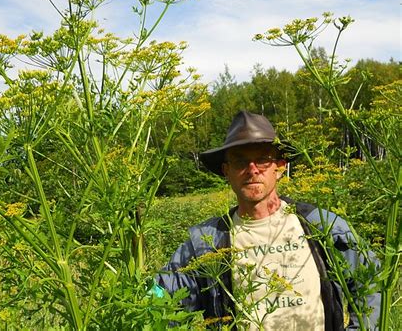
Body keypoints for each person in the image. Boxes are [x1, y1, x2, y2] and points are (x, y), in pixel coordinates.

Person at [157, 110, 380, 330]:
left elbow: (371, 283)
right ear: (226, 171)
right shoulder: (205, 242)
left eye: (263, 160)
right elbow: (163, 298)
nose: (252, 170)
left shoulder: (322, 226)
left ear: (280, 167)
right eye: (240, 162)